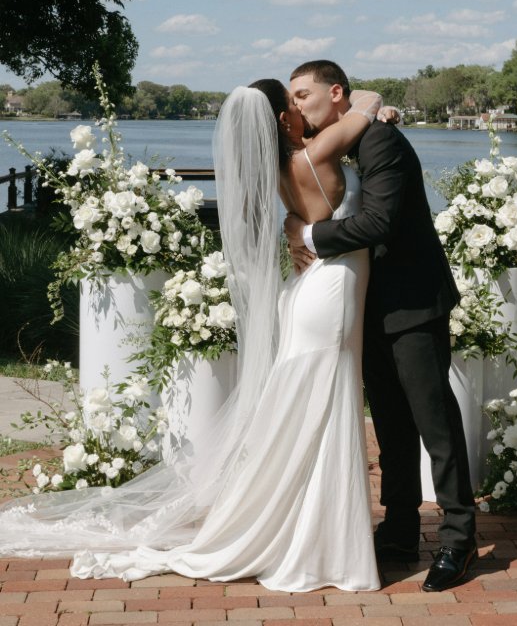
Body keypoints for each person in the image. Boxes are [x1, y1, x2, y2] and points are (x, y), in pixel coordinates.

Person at [0, 79, 388, 592]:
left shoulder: (280, 169)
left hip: (310, 290)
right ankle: (321, 541)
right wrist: (378, 106)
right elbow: (368, 102)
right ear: (277, 120)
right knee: (321, 409)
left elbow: (303, 214)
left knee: (310, 412)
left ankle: (310, 529)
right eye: (291, 103)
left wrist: (295, 226)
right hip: (329, 293)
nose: (299, 108)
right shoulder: (313, 153)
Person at [284, 60, 478, 593]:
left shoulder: (381, 142)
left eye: (305, 94)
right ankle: (398, 528)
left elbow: (380, 222)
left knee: (433, 419)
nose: (298, 105)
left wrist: (309, 237)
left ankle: (459, 541)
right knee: (391, 423)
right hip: (366, 304)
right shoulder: (346, 143)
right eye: (293, 97)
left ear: (336, 93)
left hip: (413, 301)